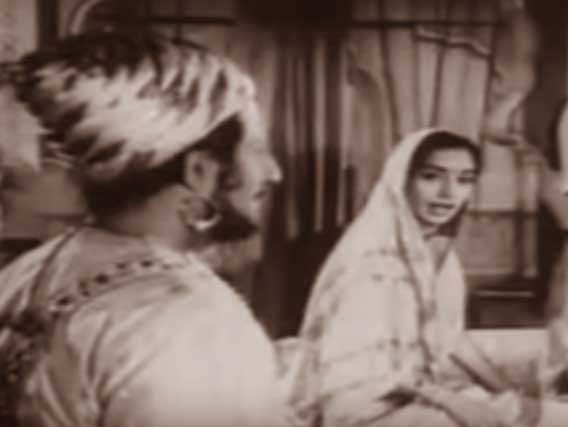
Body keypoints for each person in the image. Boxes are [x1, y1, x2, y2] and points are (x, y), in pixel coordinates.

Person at [0, 32, 289, 426]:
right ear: (199, 171)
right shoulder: (191, 321)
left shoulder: (30, 272)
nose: (273, 172)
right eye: (257, 149)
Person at [291, 129, 540, 427]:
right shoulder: (367, 262)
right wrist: (454, 403)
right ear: (401, 180)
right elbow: (361, 373)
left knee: (542, 417)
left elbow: (451, 338)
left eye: (464, 180)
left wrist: (507, 392)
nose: (449, 193)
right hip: (364, 405)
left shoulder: (436, 254)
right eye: (431, 177)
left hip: (418, 392)